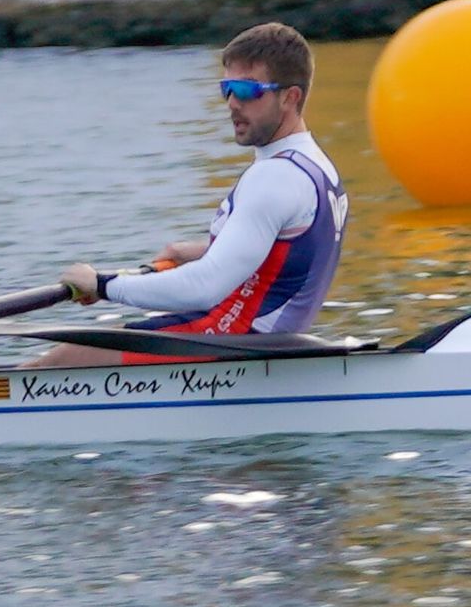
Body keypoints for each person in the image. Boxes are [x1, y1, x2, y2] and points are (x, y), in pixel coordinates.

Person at [33, 22, 346, 368]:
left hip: (229, 341)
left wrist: (103, 285)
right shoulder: (317, 165)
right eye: (226, 88)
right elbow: (289, 254)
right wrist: (202, 251)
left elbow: (205, 286)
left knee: (61, 360)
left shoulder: (275, 177)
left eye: (245, 90)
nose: (231, 103)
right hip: (267, 341)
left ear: (290, 97)